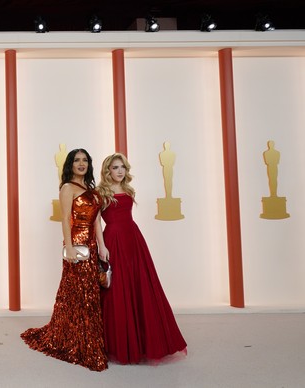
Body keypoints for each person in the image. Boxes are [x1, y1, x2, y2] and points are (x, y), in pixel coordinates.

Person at [21, 148, 108, 372]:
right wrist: (68, 247)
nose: (81, 164)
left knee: (90, 293)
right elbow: (65, 218)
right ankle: (76, 342)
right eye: (77, 160)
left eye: (85, 160)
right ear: (70, 165)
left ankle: (87, 339)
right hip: (76, 246)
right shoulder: (68, 188)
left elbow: (97, 220)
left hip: (91, 245)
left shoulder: (91, 188)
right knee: (78, 293)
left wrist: (102, 246)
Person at [96, 152, 187, 364]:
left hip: (133, 238)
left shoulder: (128, 189)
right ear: (107, 170)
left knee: (141, 286)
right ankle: (120, 344)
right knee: (117, 289)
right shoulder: (100, 192)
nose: (120, 171)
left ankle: (143, 341)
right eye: (116, 167)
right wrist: (102, 246)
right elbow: (96, 222)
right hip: (114, 239)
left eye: (123, 167)